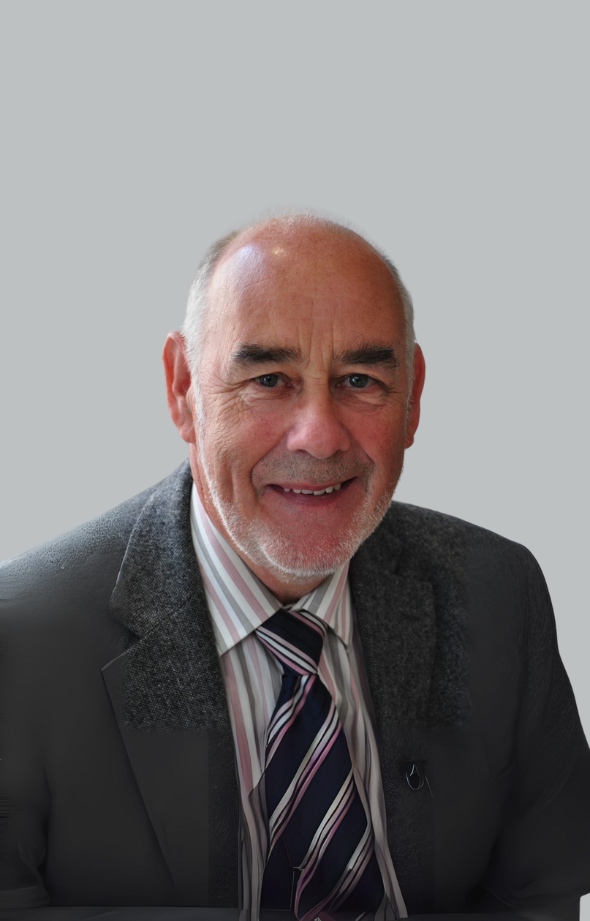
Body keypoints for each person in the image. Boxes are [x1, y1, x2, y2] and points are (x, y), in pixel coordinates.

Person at [1, 213, 589, 921]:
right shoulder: (22, 642)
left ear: (413, 397)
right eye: (270, 378)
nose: (319, 436)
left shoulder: (497, 594)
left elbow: (542, 897)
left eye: (360, 380)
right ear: (183, 387)